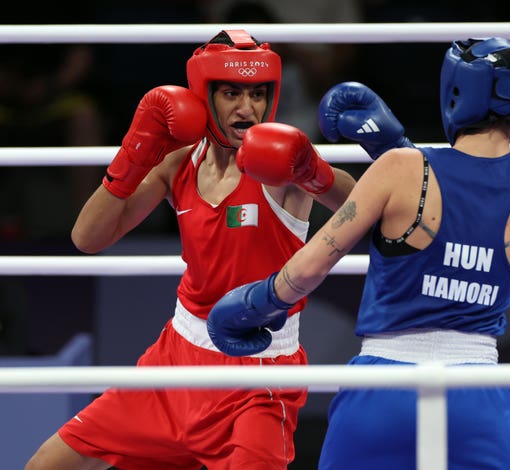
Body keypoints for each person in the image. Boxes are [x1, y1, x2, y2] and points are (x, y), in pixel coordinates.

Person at [25, 29, 410, 469]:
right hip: (174, 360)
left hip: (258, 372)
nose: (248, 109)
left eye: (258, 94)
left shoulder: (279, 168)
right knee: (46, 465)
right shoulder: (177, 162)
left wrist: (313, 169)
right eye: (231, 93)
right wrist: (133, 152)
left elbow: (361, 207)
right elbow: (87, 238)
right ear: (204, 96)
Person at [207, 37, 510, 469]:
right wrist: (398, 151)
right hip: (479, 397)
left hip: (384, 386)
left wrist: (255, 303)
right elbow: (465, 208)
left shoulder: (401, 169)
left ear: (459, 90)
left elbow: (311, 265)